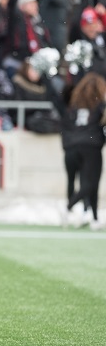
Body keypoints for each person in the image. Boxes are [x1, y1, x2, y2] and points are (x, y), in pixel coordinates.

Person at [51, 72, 106, 230]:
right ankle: (69, 206)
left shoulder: (74, 106)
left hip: (73, 145)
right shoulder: (100, 105)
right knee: (91, 183)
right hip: (91, 146)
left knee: (81, 182)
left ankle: (94, 218)